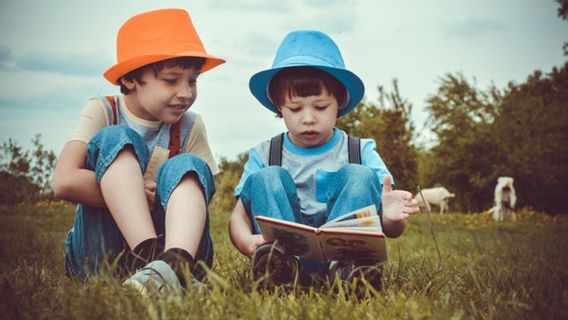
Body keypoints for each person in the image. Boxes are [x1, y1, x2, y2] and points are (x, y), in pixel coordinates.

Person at [228, 30, 420, 290]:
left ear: (339, 102)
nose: (308, 118)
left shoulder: (360, 150)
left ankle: (351, 274)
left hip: (345, 258)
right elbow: (238, 216)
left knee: (360, 175)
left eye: (320, 107)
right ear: (278, 106)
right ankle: (279, 271)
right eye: (295, 109)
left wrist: (392, 218)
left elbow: (391, 228)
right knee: (267, 177)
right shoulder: (265, 153)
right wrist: (245, 242)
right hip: (286, 256)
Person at [51, 8, 224, 293]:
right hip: (102, 255)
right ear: (130, 79)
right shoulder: (103, 110)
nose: (186, 92)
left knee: (188, 166)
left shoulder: (191, 125)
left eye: (193, 80)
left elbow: (201, 193)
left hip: (177, 244)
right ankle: (152, 260)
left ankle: (174, 264)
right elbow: (63, 181)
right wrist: (132, 192)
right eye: (172, 80)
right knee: (117, 138)